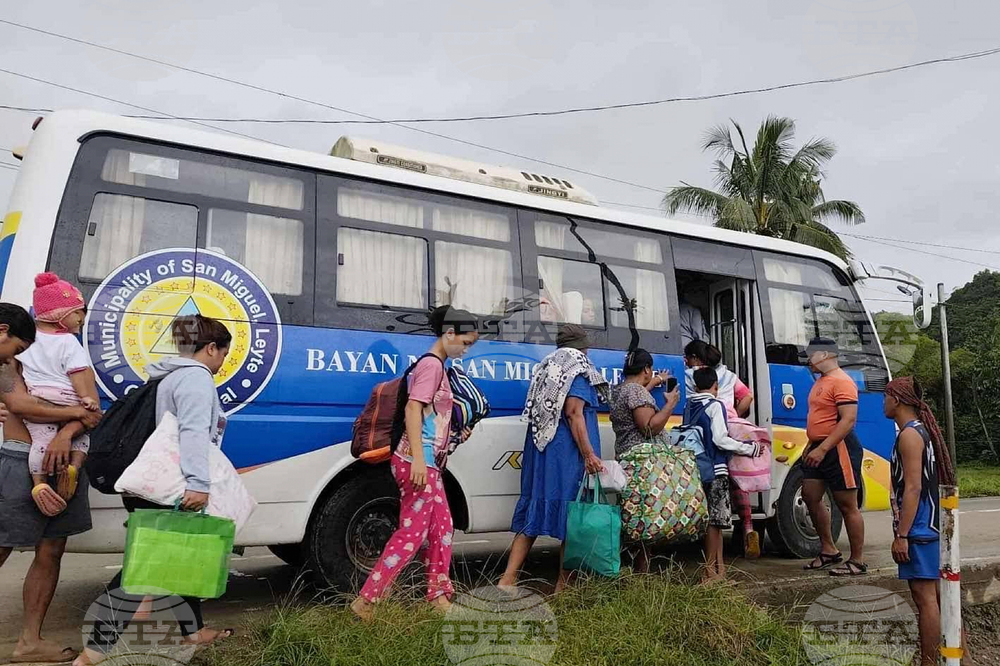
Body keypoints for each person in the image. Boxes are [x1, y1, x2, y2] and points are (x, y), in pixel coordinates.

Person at [74, 314, 235, 666]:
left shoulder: (168, 375)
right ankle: (91, 653)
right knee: (144, 569)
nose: (222, 363)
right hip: (171, 487)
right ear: (211, 348)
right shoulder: (196, 378)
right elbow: (192, 432)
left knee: (187, 552)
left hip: (152, 483)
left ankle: (192, 631)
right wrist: (198, 483)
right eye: (223, 354)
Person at [351, 306, 480, 621]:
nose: (466, 350)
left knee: (443, 528)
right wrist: (420, 461)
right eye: (465, 343)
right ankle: (367, 600)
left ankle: (438, 594)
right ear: (449, 334)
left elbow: (430, 418)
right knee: (411, 534)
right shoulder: (432, 366)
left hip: (426, 463)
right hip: (415, 462)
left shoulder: (437, 366)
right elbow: (412, 410)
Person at [0, 302, 103, 664]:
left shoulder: (66, 352)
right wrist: (75, 411)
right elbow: (22, 405)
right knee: (1, 546)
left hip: (65, 460)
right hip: (19, 459)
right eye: (20, 346)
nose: (24, 351)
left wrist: (66, 433)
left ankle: (30, 641)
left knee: (51, 551)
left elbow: (95, 410)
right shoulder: (5, 363)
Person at [499, 324, 607, 593]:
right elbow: (574, 413)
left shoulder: (548, 367)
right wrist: (589, 453)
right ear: (583, 347)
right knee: (573, 516)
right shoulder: (578, 369)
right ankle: (563, 587)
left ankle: (508, 579)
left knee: (532, 514)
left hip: (542, 451)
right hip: (566, 454)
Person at [884, 377, 955, 666]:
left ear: (897, 400)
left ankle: (928, 661)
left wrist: (902, 534)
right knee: (940, 598)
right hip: (930, 522)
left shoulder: (909, 435)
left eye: (886, 396)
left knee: (925, 597)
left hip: (921, 526)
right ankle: (963, 657)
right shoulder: (920, 432)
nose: (883, 402)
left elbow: (913, 487)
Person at [18, 273, 101, 516]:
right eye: (78, 314)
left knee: (41, 444)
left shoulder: (26, 340)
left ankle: (39, 483)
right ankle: (73, 467)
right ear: (60, 314)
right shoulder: (68, 342)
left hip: (39, 398)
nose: (81, 321)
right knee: (82, 438)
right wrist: (85, 401)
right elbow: (78, 374)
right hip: (69, 397)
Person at [684, 340, 762, 558]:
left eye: (688, 357)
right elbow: (748, 396)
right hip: (732, 427)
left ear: (697, 360)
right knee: (740, 481)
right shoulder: (729, 375)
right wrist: (736, 414)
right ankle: (748, 528)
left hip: (709, 427)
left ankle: (709, 557)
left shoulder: (693, 376)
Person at [608, 348, 681, 572]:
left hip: (626, 457)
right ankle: (642, 573)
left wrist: (655, 381)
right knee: (645, 517)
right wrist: (670, 404)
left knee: (634, 515)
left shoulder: (621, 390)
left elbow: (637, 397)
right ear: (646, 369)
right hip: (643, 465)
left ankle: (631, 568)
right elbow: (649, 427)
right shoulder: (636, 393)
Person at [800, 337, 867, 577]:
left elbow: (848, 420)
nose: (809, 360)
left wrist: (823, 448)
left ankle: (857, 561)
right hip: (819, 446)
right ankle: (828, 549)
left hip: (839, 448)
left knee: (847, 504)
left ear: (825, 355)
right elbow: (820, 417)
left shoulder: (842, 381)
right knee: (809, 495)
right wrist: (811, 445)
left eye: (811, 355)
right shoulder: (820, 382)